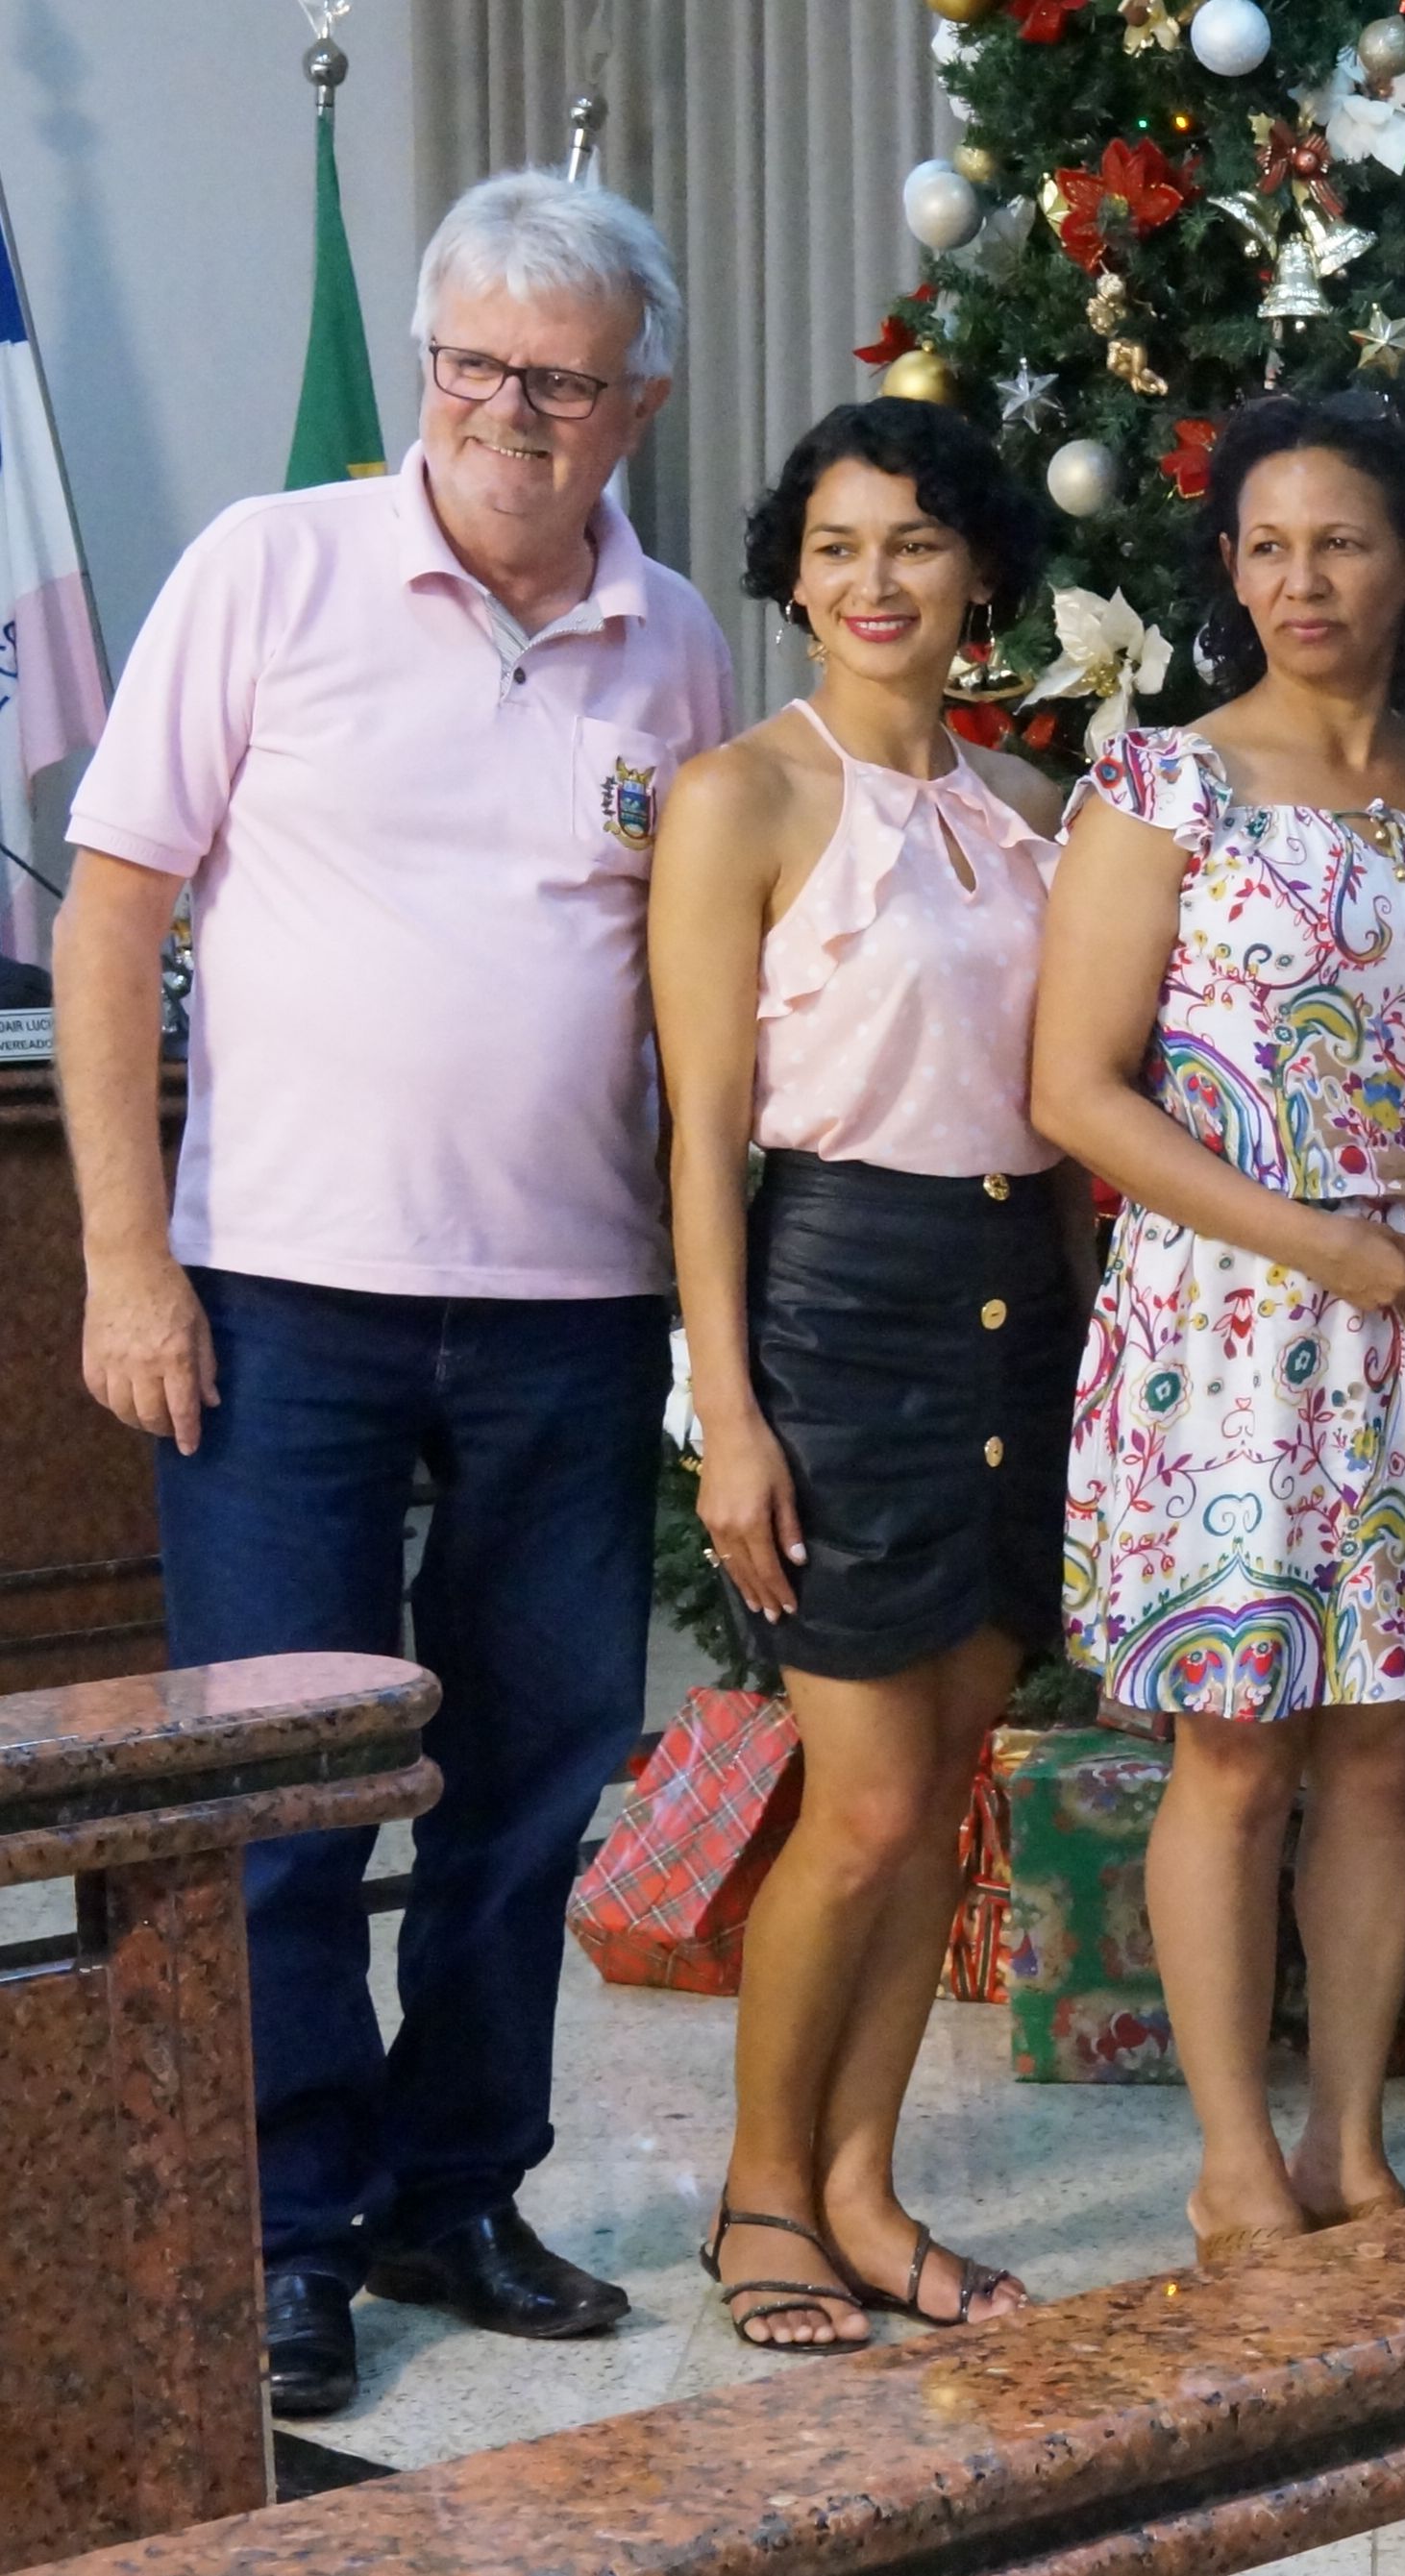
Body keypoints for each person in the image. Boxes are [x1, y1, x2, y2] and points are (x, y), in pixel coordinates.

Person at [53, 173, 728, 2420]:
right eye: (476, 369)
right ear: (428, 367)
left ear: (639, 403)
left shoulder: (678, 640)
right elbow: (110, 918)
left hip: (571, 1305)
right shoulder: (268, 566)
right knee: (287, 1792)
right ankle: (283, 2233)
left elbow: (690, 987)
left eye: (563, 382)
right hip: (279, 1301)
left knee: (529, 1785)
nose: (511, 415)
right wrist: (126, 1259)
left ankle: (459, 2187)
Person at [1030, 391, 1405, 2267]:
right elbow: (1076, 1091)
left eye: (1339, 542)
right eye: (1264, 546)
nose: (1299, 580)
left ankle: (1352, 2141)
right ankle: (1234, 2160)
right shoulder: (1162, 784)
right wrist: (1312, 1243)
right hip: (1232, 1335)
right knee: (1238, 1751)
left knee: (1392, 1753)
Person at [648, 400, 1070, 2348]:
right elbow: (701, 1137)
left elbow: (1065, 1106)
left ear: (975, 568)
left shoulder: (1031, 805)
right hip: (836, 1306)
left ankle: (864, 2192)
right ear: (793, 575)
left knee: (946, 1779)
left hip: (1015, 1304)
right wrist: (728, 1416)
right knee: (870, 1801)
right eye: (835, 546)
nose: (872, 580)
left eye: (911, 541)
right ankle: (760, 2196)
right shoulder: (740, 795)